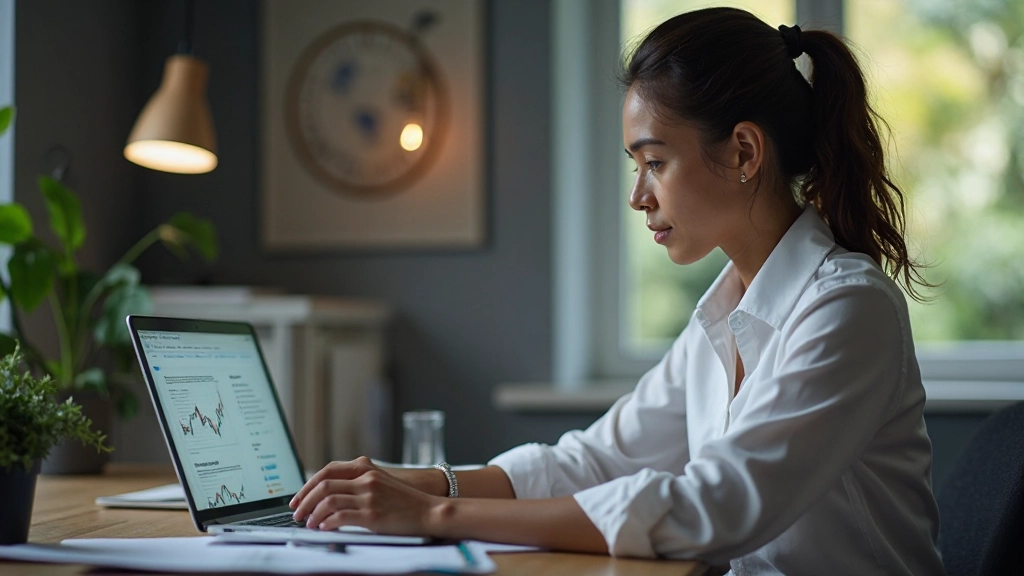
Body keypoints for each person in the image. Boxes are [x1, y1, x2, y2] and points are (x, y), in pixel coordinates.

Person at [289, 8, 945, 574]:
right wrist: (419, 482)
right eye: (636, 166)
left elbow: (713, 509)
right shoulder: (723, 316)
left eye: (655, 162)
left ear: (745, 152)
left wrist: (433, 514)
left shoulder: (847, 309)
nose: (638, 197)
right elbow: (598, 460)